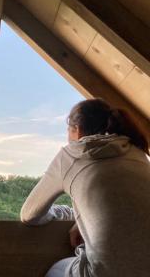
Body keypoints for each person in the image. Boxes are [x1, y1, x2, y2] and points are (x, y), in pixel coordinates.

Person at [20, 98, 150, 277]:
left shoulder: (71, 155)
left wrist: (61, 213)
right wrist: (80, 221)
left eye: (68, 130)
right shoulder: (136, 151)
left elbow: (29, 215)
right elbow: (125, 206)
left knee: (55, 270)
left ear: (77, 130)